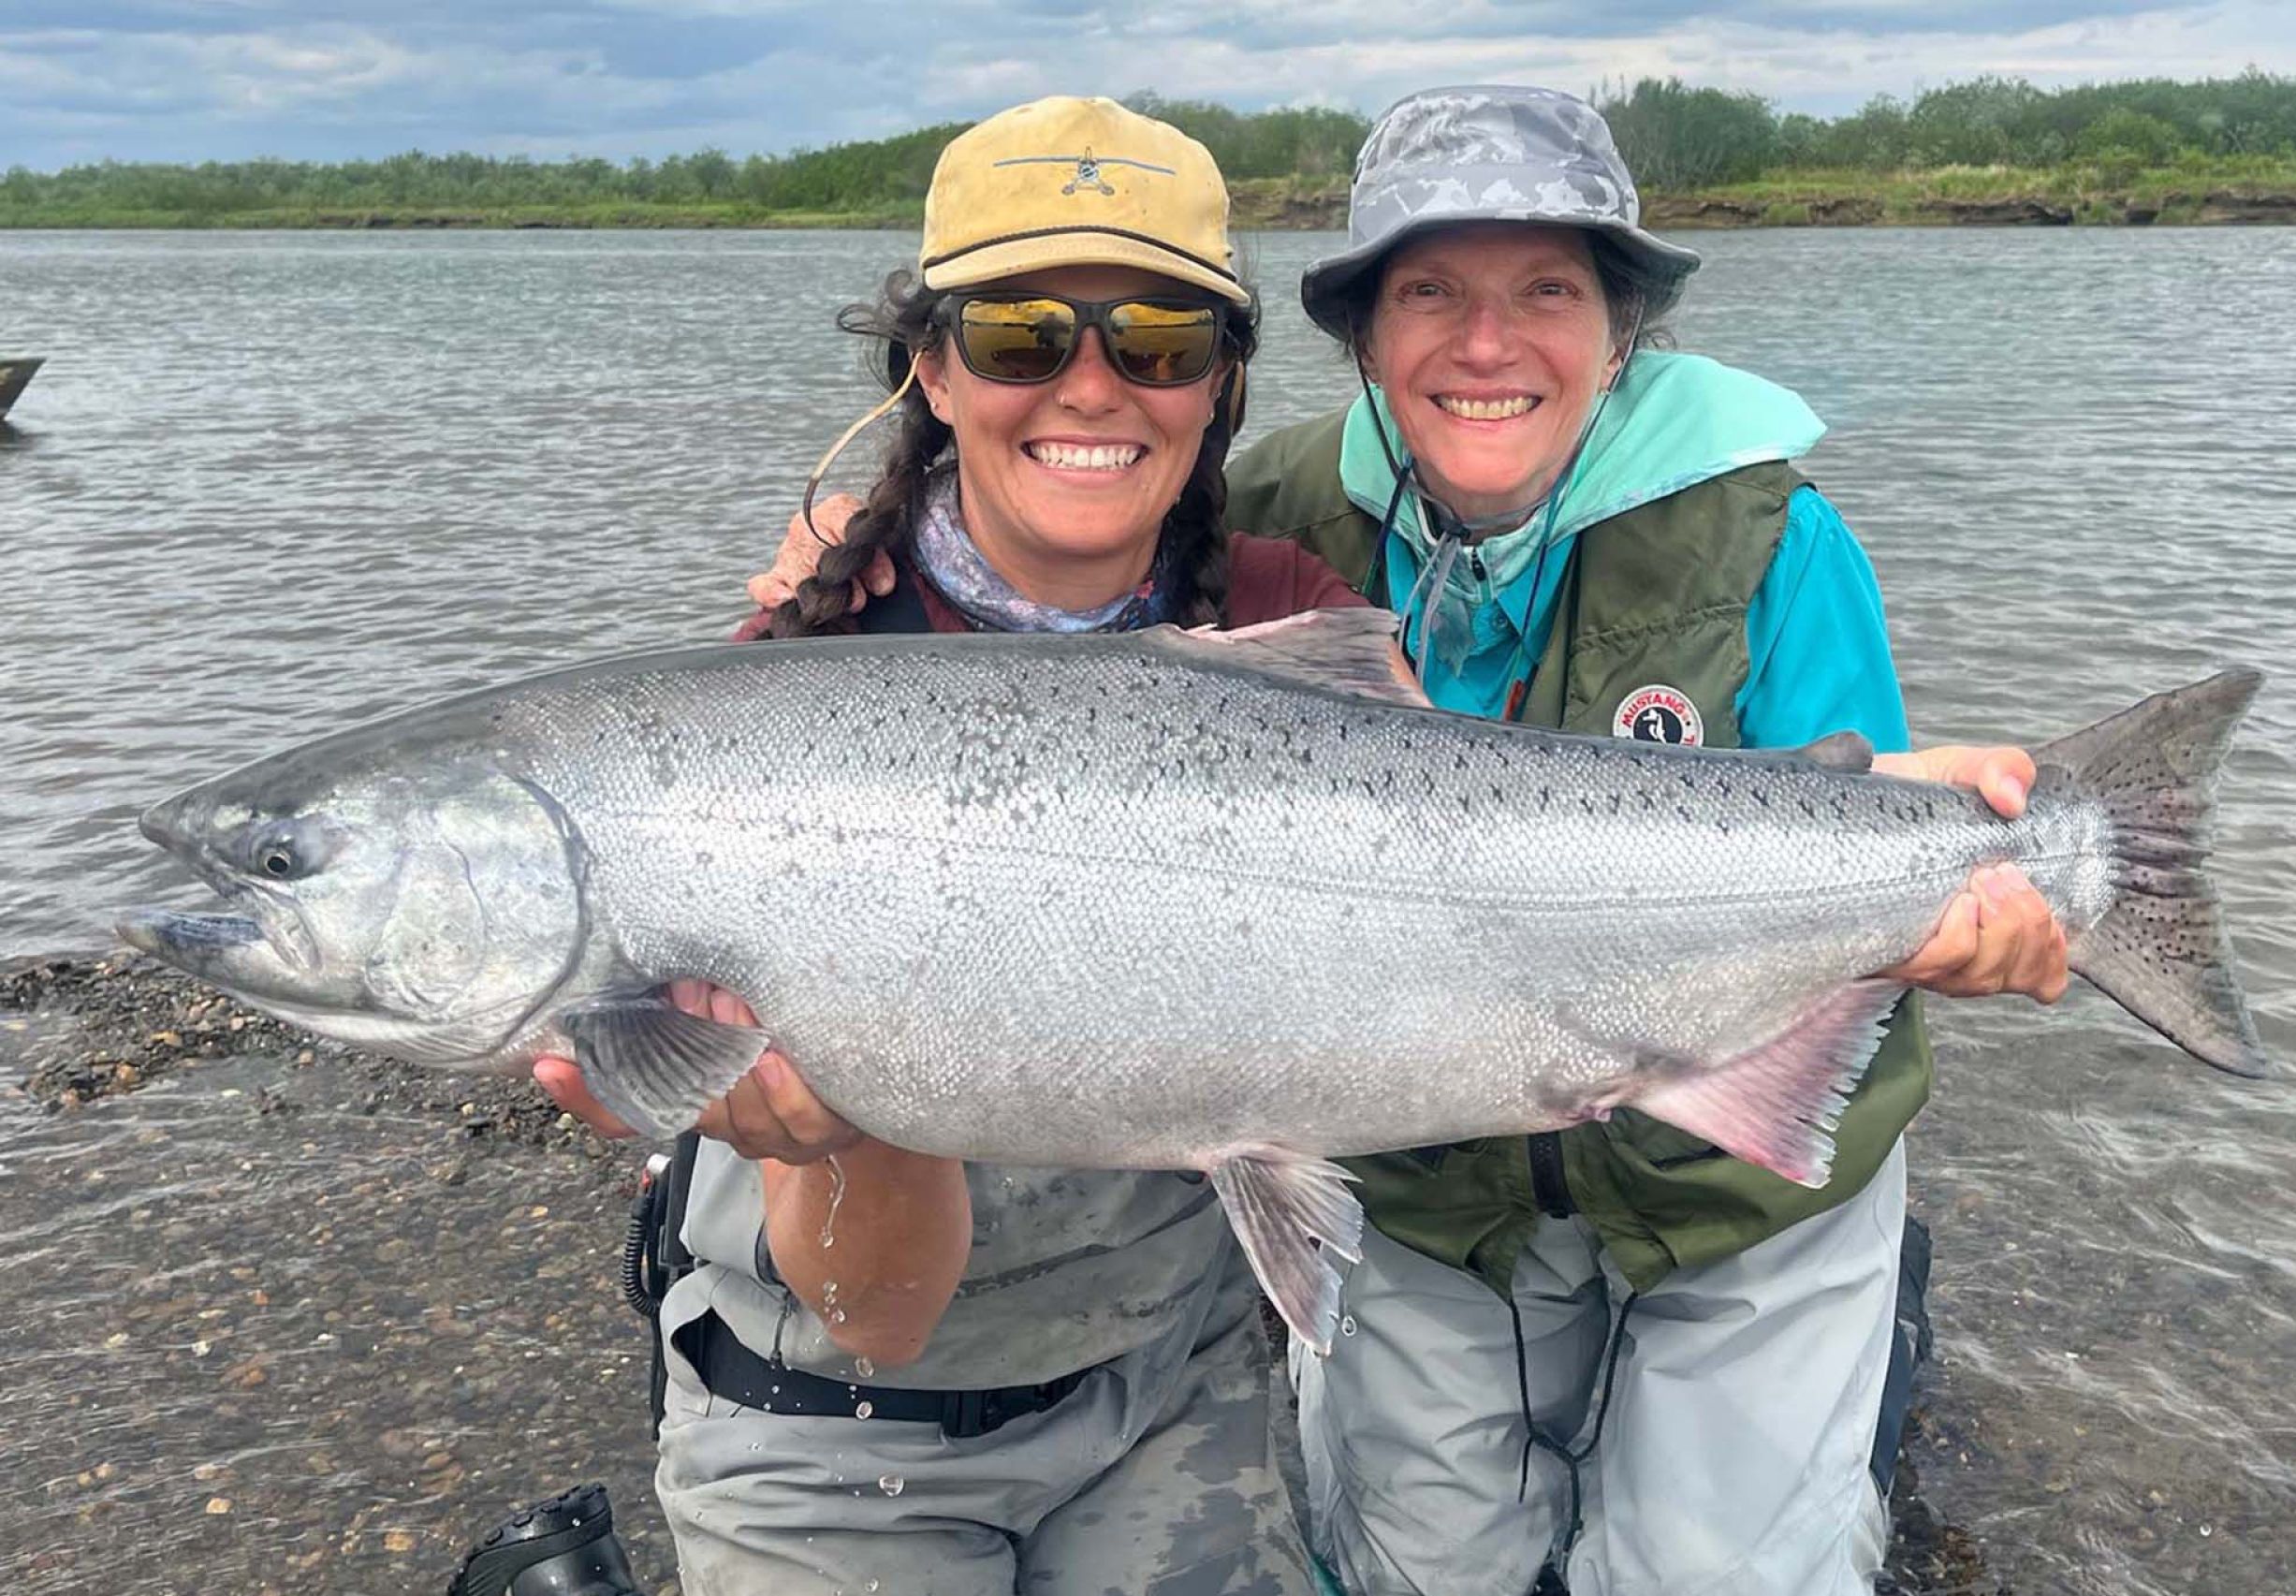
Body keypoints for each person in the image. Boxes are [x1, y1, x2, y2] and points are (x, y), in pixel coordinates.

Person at [754, 86, 2068, 1596]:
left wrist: (1976, 863)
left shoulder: (1771, 530)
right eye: (1431, 291)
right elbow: (1053, 525)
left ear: (1621, 326)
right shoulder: (1266, 514)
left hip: (1739, 1176)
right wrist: (843, 569)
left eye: (1548, 291)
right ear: (1364, 335)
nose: (1487, 343)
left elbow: (1837, 803)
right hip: (1445, 1195)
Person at [538, 95, 1353, 1596]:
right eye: (1027, 335)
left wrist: (1885, 796)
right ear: (932, 364)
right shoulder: (795, 668)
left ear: (1223, 381)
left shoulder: (1279, 609)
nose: (1094, 385)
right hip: (831, 1424)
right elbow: (879, 1311)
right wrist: (833, 1125)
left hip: (1169, 1385)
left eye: (1160, 340)